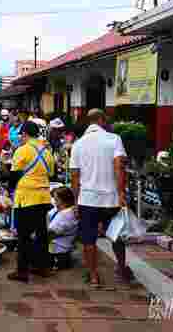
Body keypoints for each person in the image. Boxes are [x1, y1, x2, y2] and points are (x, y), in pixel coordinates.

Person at [70, 109, 132, 288]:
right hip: (110, 198)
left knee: (89, 240)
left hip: (87, 199)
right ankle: (121, 268)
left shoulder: (78, 144)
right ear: (102, 120)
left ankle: (94, 276)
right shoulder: (114, 139)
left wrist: (76, 201)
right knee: (116, 236)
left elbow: (75, 176)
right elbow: (119, 167)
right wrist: (121, 192)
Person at [7, 121, 55, 283]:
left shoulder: (23, 150)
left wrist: (10, 190)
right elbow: (51, 173)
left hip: (26, 198)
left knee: (23, 236)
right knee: (41, 233)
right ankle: (42, 267)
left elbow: (13, 176)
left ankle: (22, 271)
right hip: (44, 197)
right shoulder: (47, 152)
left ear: (25, 134)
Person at [48, 187, 78, 271]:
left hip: (58, 252)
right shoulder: (59, 209)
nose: (53, 200)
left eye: (55, 199)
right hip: (54, 248)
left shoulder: (66, 215)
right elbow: (47, 216)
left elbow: (50, 234)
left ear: (62, 200)